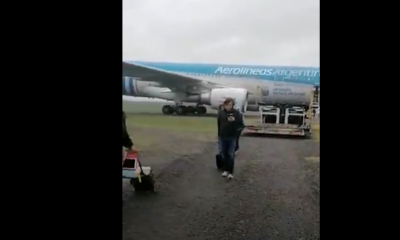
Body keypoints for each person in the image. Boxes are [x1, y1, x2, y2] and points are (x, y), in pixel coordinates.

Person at [217, 98, 243, 179]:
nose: (228, 106)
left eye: (230, 105)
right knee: (223, 154)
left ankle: (231, 172)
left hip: (232, 137)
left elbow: (241, 125)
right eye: (227, 105)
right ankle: (225, 170)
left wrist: (235, 128)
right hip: (223, 137)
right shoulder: (221, 113)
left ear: (232, 105)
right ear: (224, 105)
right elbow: (219, 124)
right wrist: (219, 134)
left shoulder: (236, 113)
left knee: (231, 155)